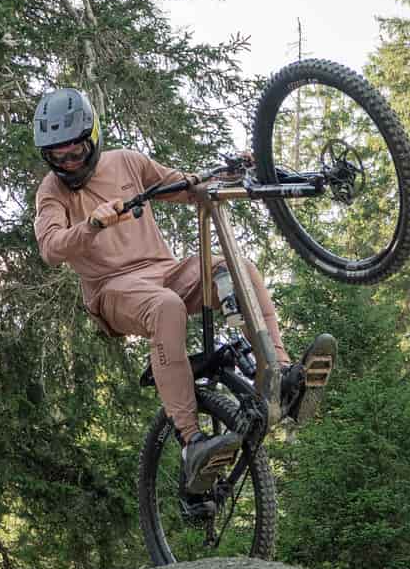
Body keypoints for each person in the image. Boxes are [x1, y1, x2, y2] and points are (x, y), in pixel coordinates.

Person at [30, 88, 336, 492]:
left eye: (75, 152)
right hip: (112, 292)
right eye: (58, 156)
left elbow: (186, 188)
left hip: (165, 271)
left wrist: (228, 173)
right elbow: (51, 248)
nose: (68, 162)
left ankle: (280, 375)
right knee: (166, 307)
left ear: (94, 137)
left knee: (236, 268)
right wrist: (92, 225)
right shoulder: (51, 191)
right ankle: (192, 442)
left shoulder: (128, 162)